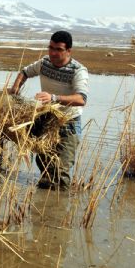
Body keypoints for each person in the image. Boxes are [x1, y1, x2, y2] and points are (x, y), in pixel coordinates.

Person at [7, 31, 88, 190]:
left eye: (58, 49)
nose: (53, 53)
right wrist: (15, 88)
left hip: (68, 123)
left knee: (61, 171)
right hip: (47, 118)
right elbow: (24, 72)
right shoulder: (44, 63)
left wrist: (54, 98)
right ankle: (44, 205)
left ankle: (60, 207)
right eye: (50, 48)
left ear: (68, 51)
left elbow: (81, 99)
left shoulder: (78, 71)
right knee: (43, 163)